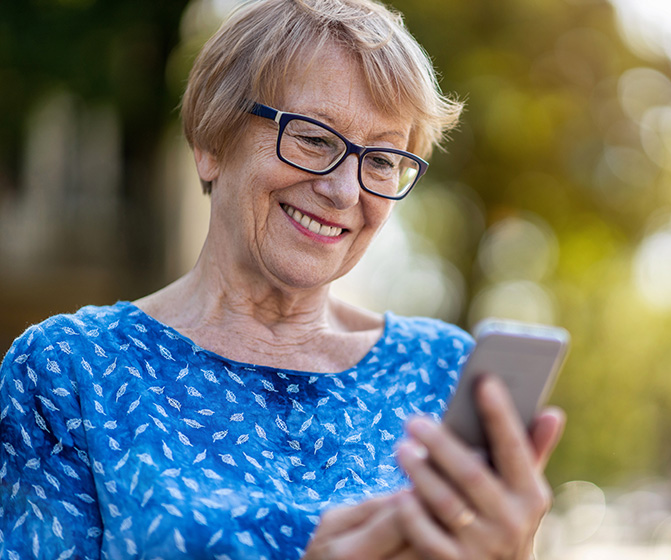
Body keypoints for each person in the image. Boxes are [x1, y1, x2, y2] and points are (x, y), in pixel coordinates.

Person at [0, 0, 565, 558]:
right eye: (314, 139)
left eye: (381, 160)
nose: (344, 191)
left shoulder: (445, 373)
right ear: (211, 144)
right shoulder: (68, 370)